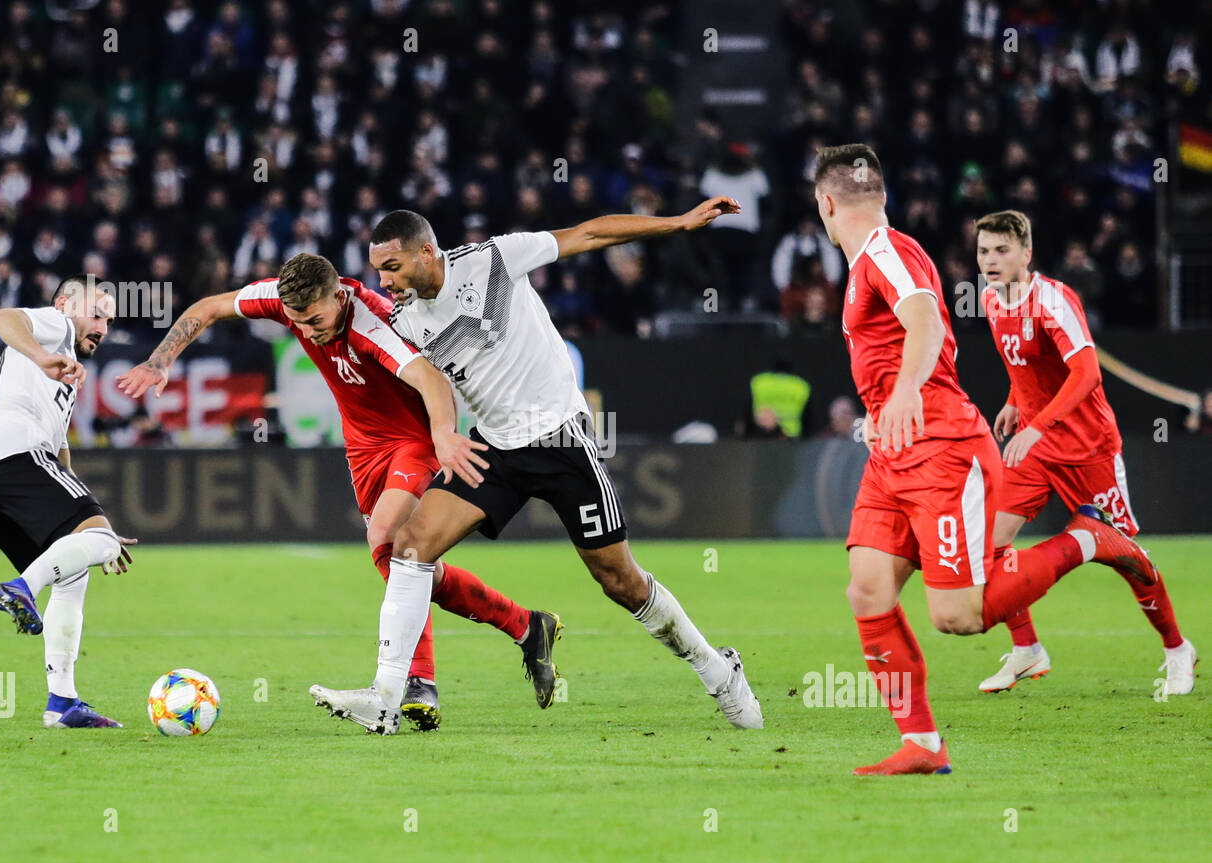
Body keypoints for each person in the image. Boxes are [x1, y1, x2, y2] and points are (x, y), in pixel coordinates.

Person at [312, 198, 764, 735]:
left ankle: (718, 670)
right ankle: (387, 695)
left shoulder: (495, 259)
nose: (384, 280)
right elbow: (391, 358)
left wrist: (679, 223)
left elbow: (590, 233)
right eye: (378, 270)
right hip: (496, 448)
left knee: (620, 581)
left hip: (560, 439)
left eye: (392, 267)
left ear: (426, 252)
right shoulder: (405, 321)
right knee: (409, 547)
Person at [813, 144, 1158, 775]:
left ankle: (1087, 539)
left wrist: (906, 393)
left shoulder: (886, 251)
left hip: (943, 449)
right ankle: (921, 745)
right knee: (867, 590)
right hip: (894, 455)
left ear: (826, 203)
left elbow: (927, 326)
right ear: (882, 194)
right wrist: (885, 411)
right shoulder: (870, 261)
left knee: (959, 616)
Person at [116, 254, 553, 731]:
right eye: (297, 322)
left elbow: (430, 378)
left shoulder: (371, 320)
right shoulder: (290, 305)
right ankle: (526, 626)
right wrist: (160, 361)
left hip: (414, 438)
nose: (307, 331)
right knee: (403, 562)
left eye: (316, 320)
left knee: (389, 538)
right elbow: (210, 306)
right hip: (364, 448)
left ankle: (417, 681)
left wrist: (445, 435)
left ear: (339, 297)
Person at [974, 210, 1195, 695]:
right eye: (984, 250)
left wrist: (1040, 425)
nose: (990, 260)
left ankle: (1178, 650)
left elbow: (1087, 374)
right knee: (990, 544)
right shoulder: (990, 300)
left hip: (1088, 449)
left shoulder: (1052, 300)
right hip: (1037, 448)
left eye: (1001, 250)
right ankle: (1027, 649)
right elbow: (1026, 367)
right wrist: (1015, 401)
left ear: (1026, 254)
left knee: (1128, 561)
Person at [0, 275, 137, 729]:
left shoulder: (66, 371)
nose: (102, 327)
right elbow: (2, 317)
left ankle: (63, 703)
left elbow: (59, 456)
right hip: (13, 457)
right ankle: (21, 588)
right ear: (64, 303)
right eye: (96, 313)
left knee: (75, 570)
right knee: (100, 542)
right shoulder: (55, 327)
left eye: (109, 320)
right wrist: (40, 354)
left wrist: (93, 531)